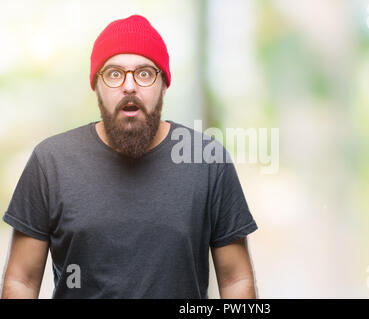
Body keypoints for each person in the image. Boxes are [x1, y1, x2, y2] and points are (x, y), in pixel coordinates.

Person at [1, 14, 258, 299]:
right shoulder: (50, 162)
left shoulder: (208, 161)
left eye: (145, 73)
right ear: (96, 86)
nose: (129, 86)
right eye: (113, 74)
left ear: (164, 84)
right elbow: (21, 281)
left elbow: (236, 279)